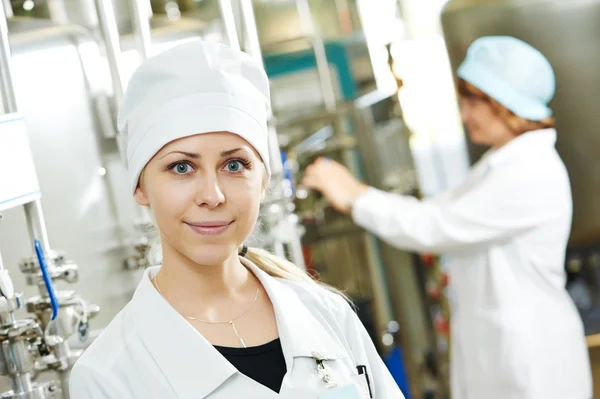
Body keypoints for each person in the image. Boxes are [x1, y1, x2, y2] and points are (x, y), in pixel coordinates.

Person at [68, 40, 404, 399]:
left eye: (234, 165)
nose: (212, 195)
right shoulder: (109, 376)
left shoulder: (326, 314)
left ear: (262, 180)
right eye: (182, 167)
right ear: (140, 187)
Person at [303, 36, 592, 399]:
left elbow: (432, 226)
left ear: (505, 104)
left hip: (530, 361)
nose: (465, 114)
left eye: (474, 102)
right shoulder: (502, 160)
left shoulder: (529, 171)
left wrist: (353, 195)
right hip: (497, 347)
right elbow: (440, 211)